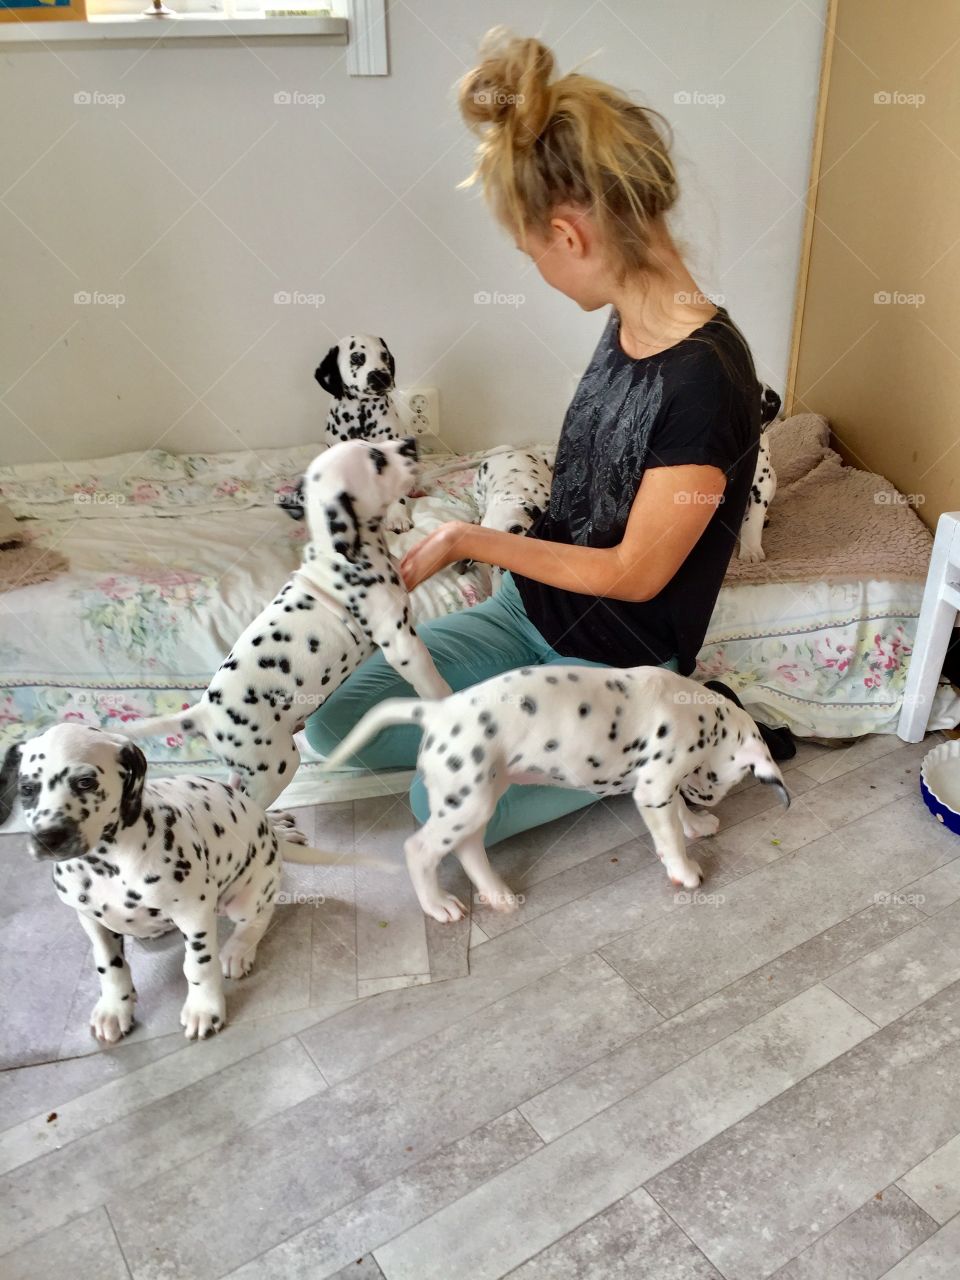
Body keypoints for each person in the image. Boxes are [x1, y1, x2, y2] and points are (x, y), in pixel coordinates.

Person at [306, 27, 765, 845]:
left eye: (530, 252)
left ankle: (664, 740)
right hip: (526, 616)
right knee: (334, 721)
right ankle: (522, 719)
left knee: (433, 806)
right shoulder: (627, 320)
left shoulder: (707, 381)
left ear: (569, 235)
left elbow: (634, 572)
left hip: (615, 665)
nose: (537, 270)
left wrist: (469, 540)